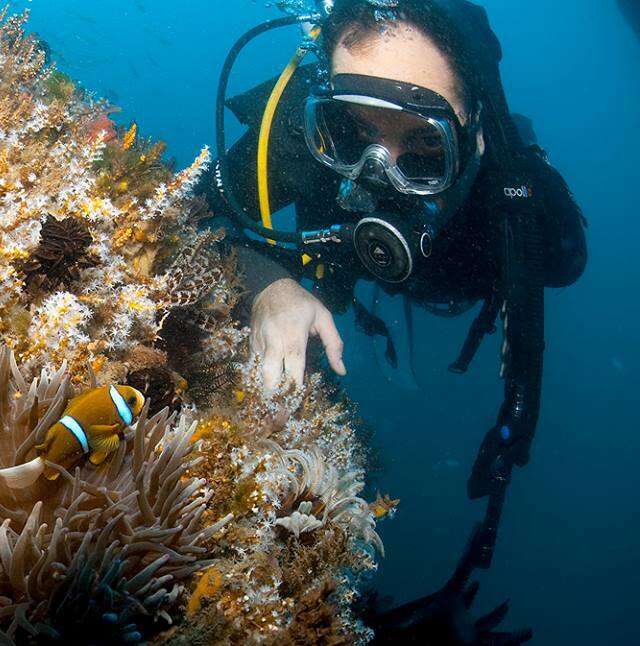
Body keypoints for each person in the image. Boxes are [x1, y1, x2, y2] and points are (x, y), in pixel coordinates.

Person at [201, 0, 587, 641]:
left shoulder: (512, 197)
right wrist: (269, 284)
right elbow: (204, 214)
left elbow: (566, 264)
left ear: (477, 132)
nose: (380, 175)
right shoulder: (300, 133)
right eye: (351, 132)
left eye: (426, 144)